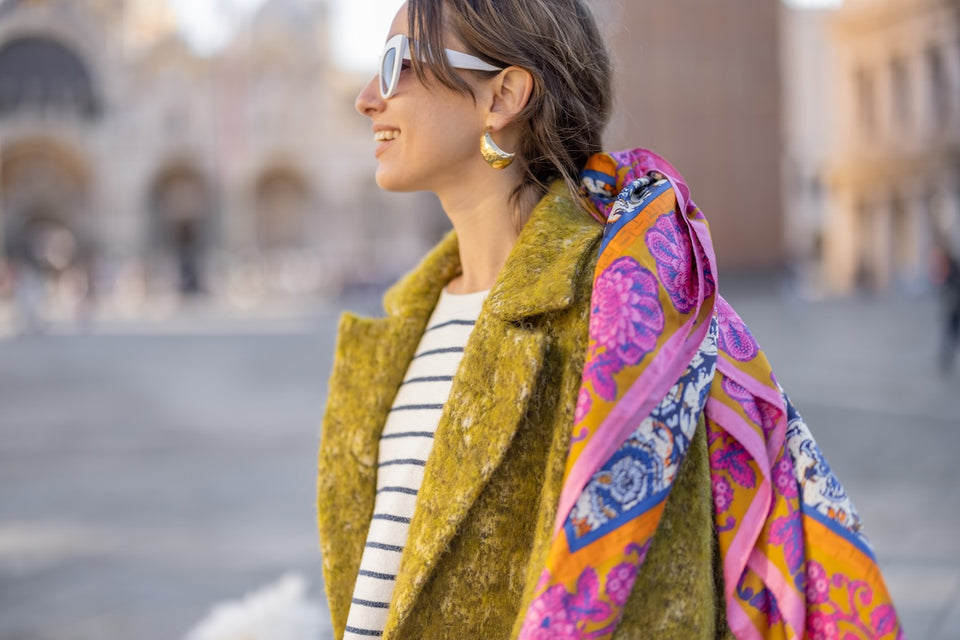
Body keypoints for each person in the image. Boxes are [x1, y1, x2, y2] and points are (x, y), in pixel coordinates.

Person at [317, 2, 902, 639]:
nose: (367, 98)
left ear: (504, 96)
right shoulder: (409, 319)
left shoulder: (629, 324)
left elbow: (657, 617)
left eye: (396, 63)